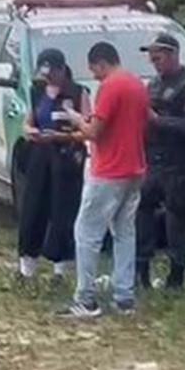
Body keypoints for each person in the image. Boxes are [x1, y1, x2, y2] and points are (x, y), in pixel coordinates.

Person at [59, 42, 149, 317]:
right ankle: (124, 297)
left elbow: (95, 132)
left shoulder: (111, 86)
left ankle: (86, 299)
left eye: (95, 70)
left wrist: (75, 121)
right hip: (135, 168)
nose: (95, 76)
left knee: (86, 232)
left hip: (109, 170)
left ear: (101, 62)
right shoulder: (136, 84)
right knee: (124, 233)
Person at [135, 32, 185, 291]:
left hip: (180, 165)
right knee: (142, 211)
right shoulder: (152, 86)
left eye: (158, 57)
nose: (154, 62)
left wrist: (157, 121)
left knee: (177, 219)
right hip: (153, 162)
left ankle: (176, 278)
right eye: (151, 58)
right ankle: (141, 272)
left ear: (173, 55)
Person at [17, 49, 90, 283]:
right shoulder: (37, 91)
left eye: (52, 73)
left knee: (63, 210)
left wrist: (61, 136)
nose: (49, 78)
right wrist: (30, 131)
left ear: (62, 69)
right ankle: (27, 264)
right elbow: (28, 121)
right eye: (45, 74)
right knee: (33, 206)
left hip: (66, 155)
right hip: (41, 152)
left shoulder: (78, 92)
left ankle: (61, 268)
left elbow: (87, 130)